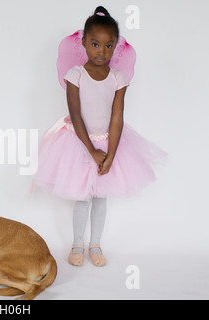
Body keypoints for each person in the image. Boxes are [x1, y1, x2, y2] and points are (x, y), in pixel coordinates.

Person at [33, 6, 166, 267]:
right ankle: (77, 243)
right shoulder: (75, 75)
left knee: (100, 197)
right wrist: (91, 151)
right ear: (83, 42)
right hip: (79, 142)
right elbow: (76, 114)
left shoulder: (118, 78)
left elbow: (117, 118)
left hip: (109, 141)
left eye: (108, 46)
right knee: (83, 197)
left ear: (116, 46)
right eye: (95, 44)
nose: (101, 51)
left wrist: (111, 154)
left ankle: (96, 244)